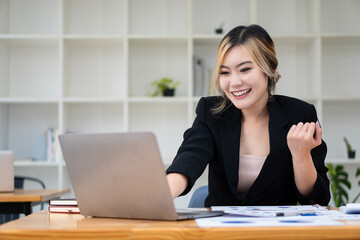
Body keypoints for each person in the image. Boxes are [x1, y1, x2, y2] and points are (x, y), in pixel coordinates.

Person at [166, 24, 330, 207]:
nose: (234, 82)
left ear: (268, 68)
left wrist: (301, 155)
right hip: (223, 231)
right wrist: (161, 194)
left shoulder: (299, 114)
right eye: (225, 72)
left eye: (244, 69)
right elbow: (189, 158)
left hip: (275, 230)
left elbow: (317, 199)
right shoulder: (211, 112)